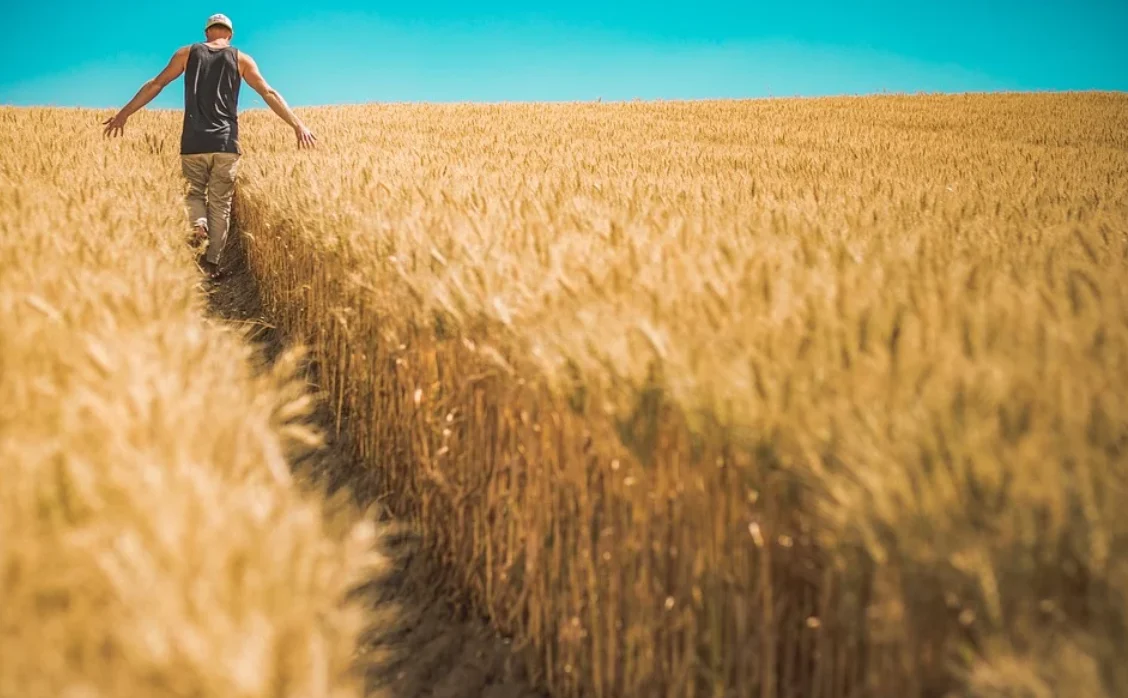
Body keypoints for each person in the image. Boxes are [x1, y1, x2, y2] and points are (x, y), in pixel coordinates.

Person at [102, 13, 316, 279]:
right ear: (229, 35)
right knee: (221, 203)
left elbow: (156, 84)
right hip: (226, 143)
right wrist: (298, 125)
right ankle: (212, 264)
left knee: (193, 195)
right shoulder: (242, 59)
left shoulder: (186, 53)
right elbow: (268, 93)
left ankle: (198, 222)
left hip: (193, 141)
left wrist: (124, 114)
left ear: (207, 33)